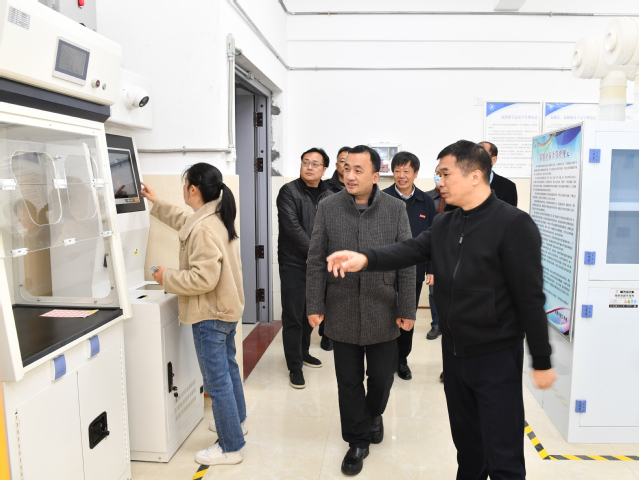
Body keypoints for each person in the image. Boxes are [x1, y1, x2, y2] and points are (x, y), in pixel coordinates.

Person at [326, 140, 556, 480]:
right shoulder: (446, 223)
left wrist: (542, 359)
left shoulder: (514, 224)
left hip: (495, 356)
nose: (439, 182)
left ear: (475, 175)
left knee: (503, 454)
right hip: (454, 355)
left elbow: (530, 298)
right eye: (438, 175)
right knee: (468, 449)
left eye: (445, 174)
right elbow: (408, 250)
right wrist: (364, 259)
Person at [306, 145, 415, 476]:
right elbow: (316, 259)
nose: (350, 176)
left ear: (375, 175)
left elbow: (407, 261)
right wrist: (315, 304)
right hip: (341, 307)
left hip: (383, 306)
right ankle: (357, 441)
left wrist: (407, 307)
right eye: (346, 169)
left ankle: (374, 413)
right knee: (348, 381)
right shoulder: (328, 207)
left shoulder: (395, 209)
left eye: (358, 170)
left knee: (381, 377)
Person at [140, 164, 247, 467]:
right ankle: (237, 423)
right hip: (226, 309)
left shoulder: (203, 229)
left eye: (184, 184)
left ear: (193, 189)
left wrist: (166, 277)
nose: (183, 190)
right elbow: (184, 220)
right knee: (228, 369)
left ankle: (230, 447)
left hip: (210, 315)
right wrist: (156, 201)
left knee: (216, 382)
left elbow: (203, 279)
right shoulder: (215, 216)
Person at [277, 147, 333, 389]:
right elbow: (291, 226)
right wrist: (314, 253)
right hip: (293, 262)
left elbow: (333, 227)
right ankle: (294, 366)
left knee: (310, 312)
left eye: (315, 164)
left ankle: (304, 352)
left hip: (317, 265)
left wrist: (320, 257)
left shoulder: (330, 195)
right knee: (293, 315)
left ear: (324, 169)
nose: (309, 167)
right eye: (305, 162)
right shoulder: (288, 191)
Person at [382, 151, 435, 380]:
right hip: (384, 269)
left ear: (415, 173)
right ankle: (385, 359)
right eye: (397, 170)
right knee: (385, 315)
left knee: (407, 315)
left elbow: (434, 238)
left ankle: (402, 360)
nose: (401, 175)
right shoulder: (381, 198)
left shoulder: (426, 202)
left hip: (414, 270)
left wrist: (431, 268)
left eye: (406, 171)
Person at [478, 141, 518, 207]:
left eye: (482, 153)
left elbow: (511, 212)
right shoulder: (464, 183)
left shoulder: (508, 187)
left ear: (493, 160)